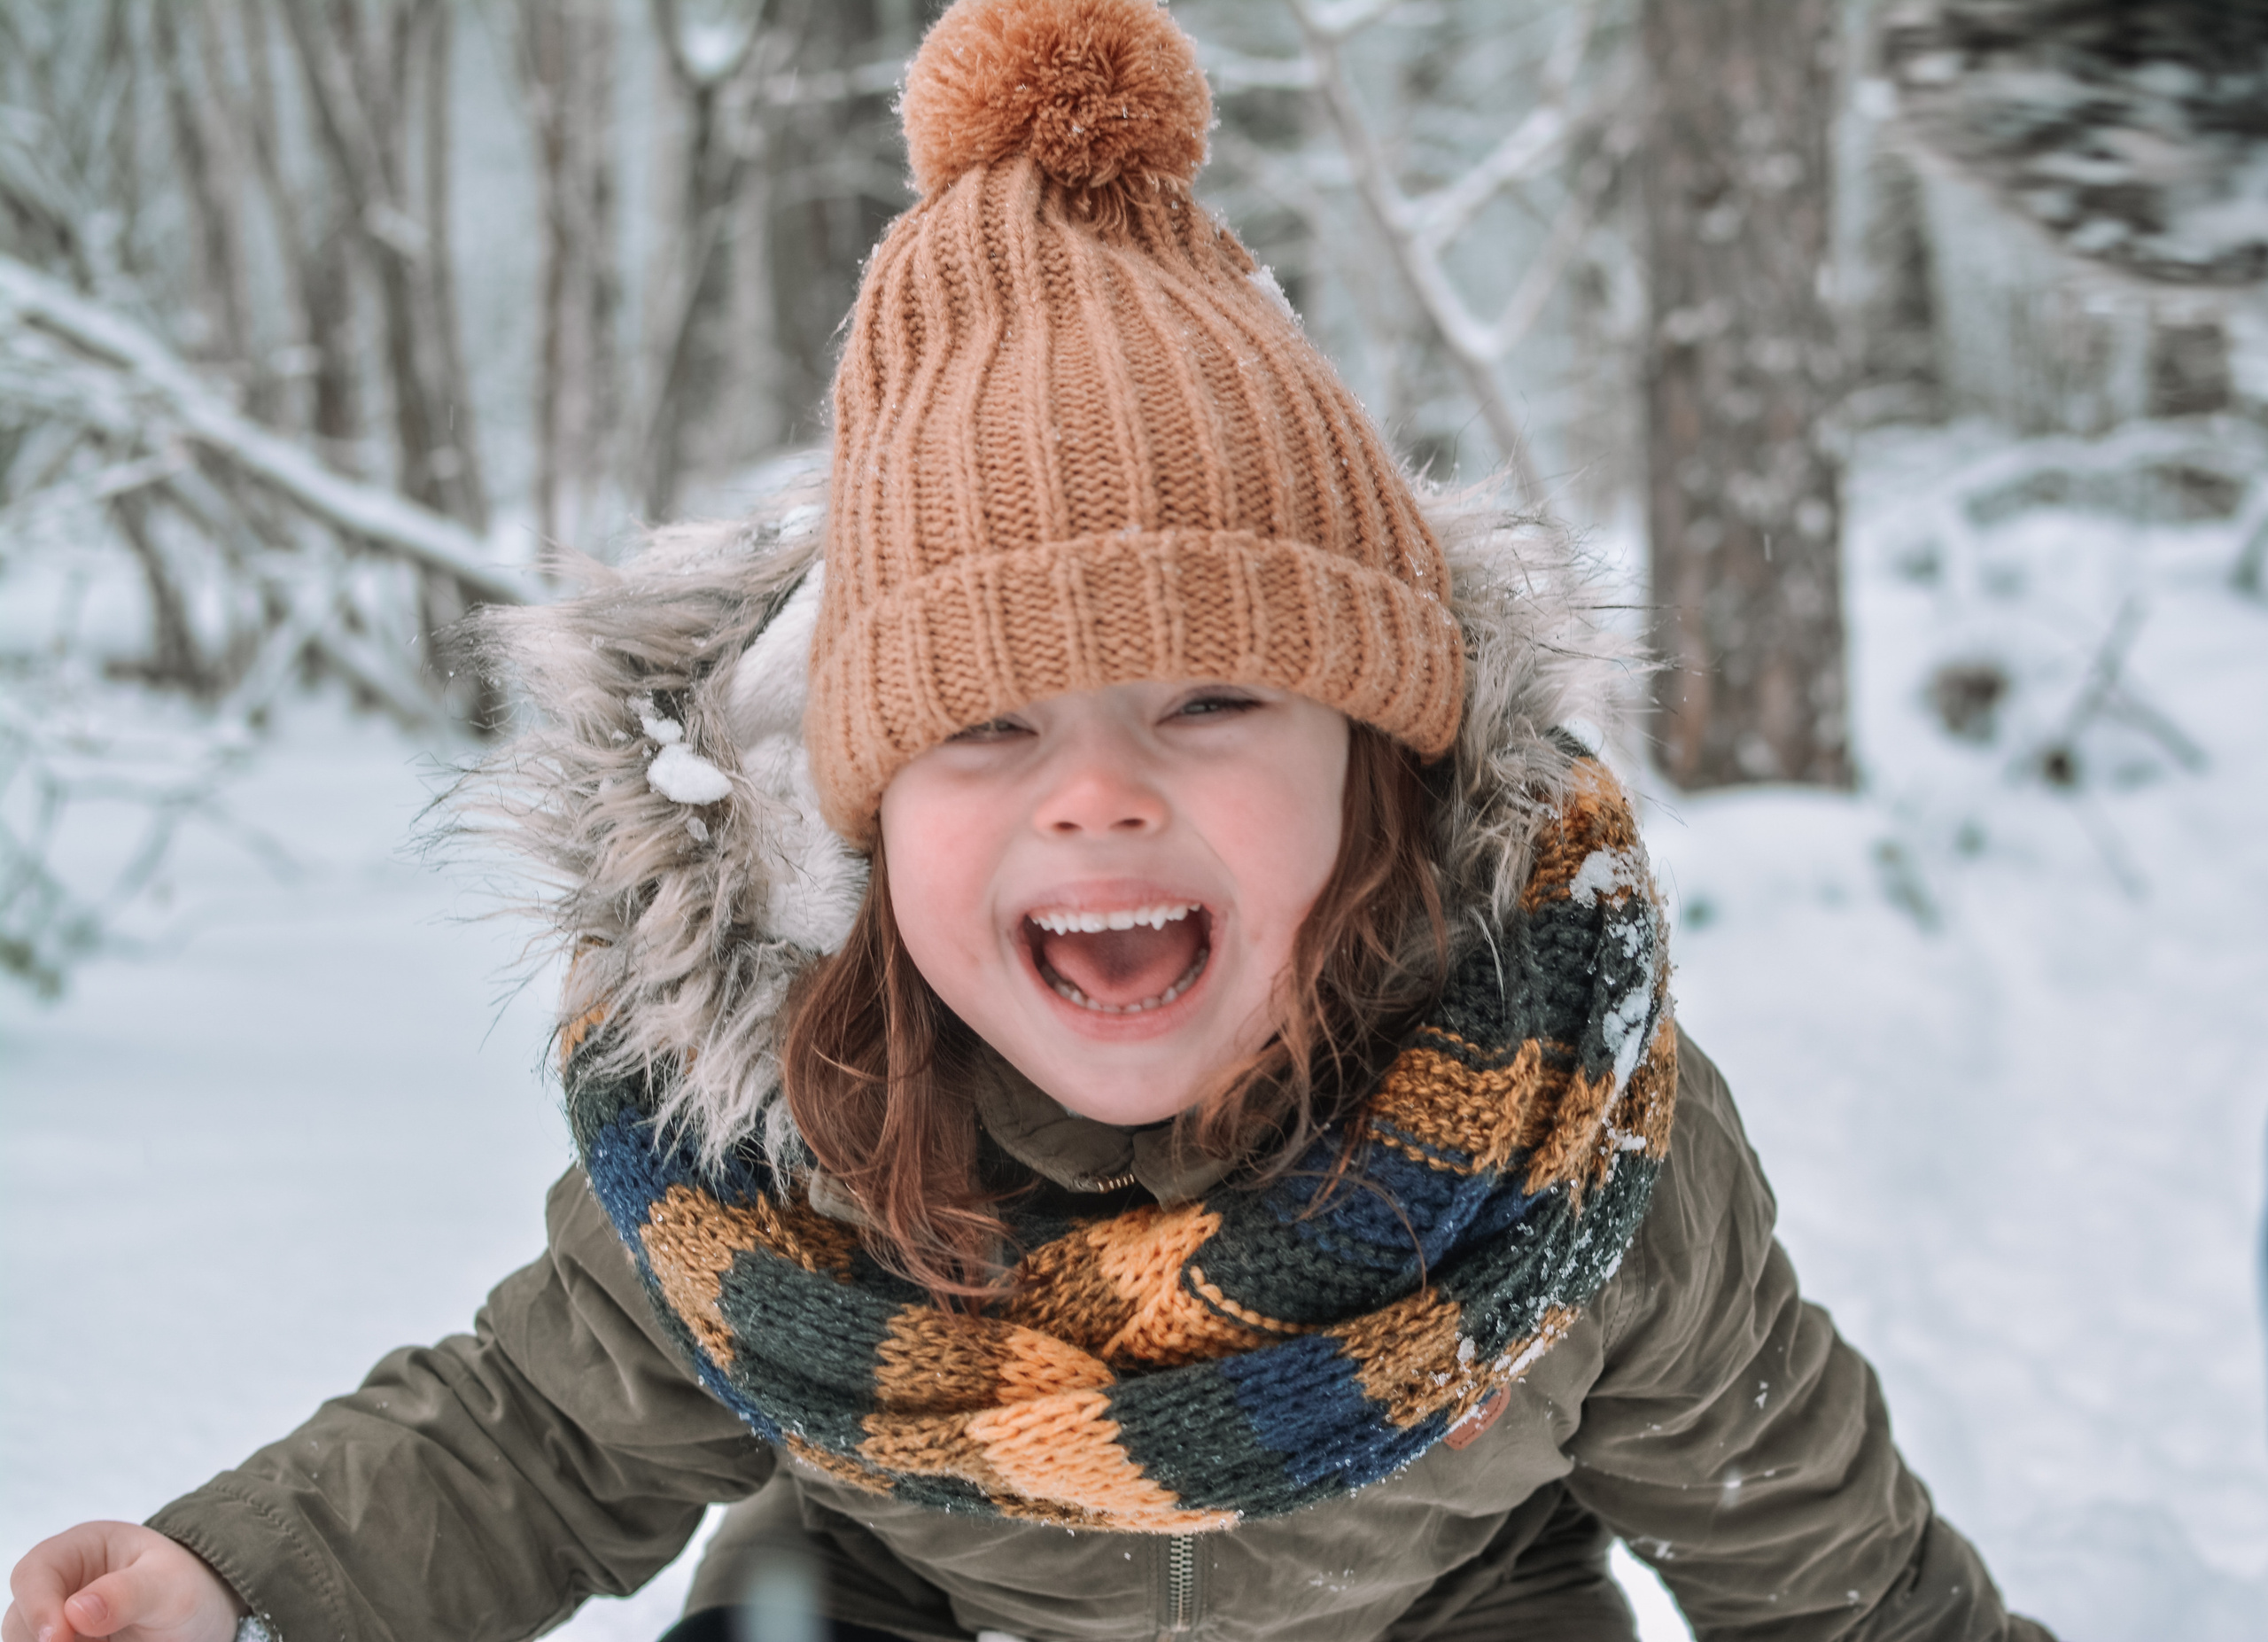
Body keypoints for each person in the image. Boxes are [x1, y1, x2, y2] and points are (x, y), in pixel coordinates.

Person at [4, 3, 2056, 1639]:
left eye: (1211, 697)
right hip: (897, 1601)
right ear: (865, 825)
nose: (1096, 788)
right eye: (981, 728)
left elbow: (1829, 1566)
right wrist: (240, 1576)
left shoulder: (1579, 1153)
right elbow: (533, 1429)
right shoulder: (788, 1143)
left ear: (1382, 765)